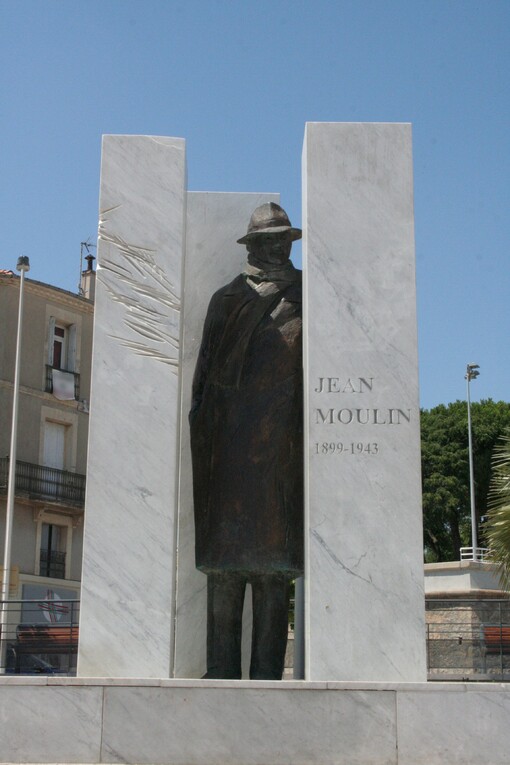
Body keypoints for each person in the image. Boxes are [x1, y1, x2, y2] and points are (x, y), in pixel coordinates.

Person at [190, 202, 304, 680]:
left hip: (282, 454)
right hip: (230, 454)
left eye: (284, 238)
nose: (277, 245)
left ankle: (267, 682)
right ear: (252, 245)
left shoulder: (309, 298)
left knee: (275, 574)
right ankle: (219, 674)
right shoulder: (227, 300)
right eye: (269, 238)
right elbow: (202, 389)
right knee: (225, 572)